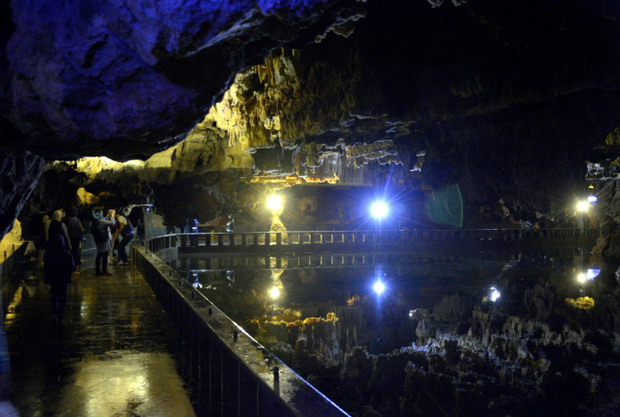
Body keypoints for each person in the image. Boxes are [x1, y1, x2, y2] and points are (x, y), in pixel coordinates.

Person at [44, 235, 75, 322]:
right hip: (63, 279)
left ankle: (54, 312)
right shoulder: (67, 255)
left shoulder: (49, 255)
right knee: (62, 296)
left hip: (53, 278)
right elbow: (72, 267)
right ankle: (61, 314)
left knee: (54, 295)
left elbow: (46, 268)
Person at [91, 209, 115, 276]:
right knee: (104, 255)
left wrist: (107, 216)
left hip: (98, 239)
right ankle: (104, 271)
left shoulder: (95, 220)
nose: (102, 214)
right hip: (103, 239)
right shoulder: (100, 221)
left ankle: (98, 271)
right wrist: (112, 215)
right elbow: (111, 223)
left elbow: (104, 220)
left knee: (99, 255)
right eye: (101, 213)